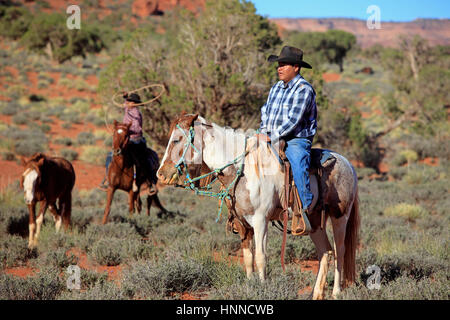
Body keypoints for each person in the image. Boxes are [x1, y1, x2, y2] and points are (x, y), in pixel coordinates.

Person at [257, 46, 317, 233]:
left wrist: (271, 136)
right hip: (271, 137)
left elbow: (294, 120)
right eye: (279, 65)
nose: (279, 68)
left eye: (284, 65)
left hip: (296, 139)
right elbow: (265, 111)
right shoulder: (275, 88)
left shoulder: (304, 89)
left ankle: (304, 210)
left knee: (298, 163)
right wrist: (263, 131)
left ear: (296, 67)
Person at [99, 92, 154, 189]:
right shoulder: (128, 109)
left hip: (135, 140)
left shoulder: (136, 114)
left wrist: (125, 130)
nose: (127, 103)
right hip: (126, 139)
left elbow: (137, 129)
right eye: (127, 101)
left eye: (129, 102)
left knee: (141, 160)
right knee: (112, 155)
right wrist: (125, 97)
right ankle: (108, 178)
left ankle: (150, 181)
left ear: (134, 104)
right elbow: (124, 104)